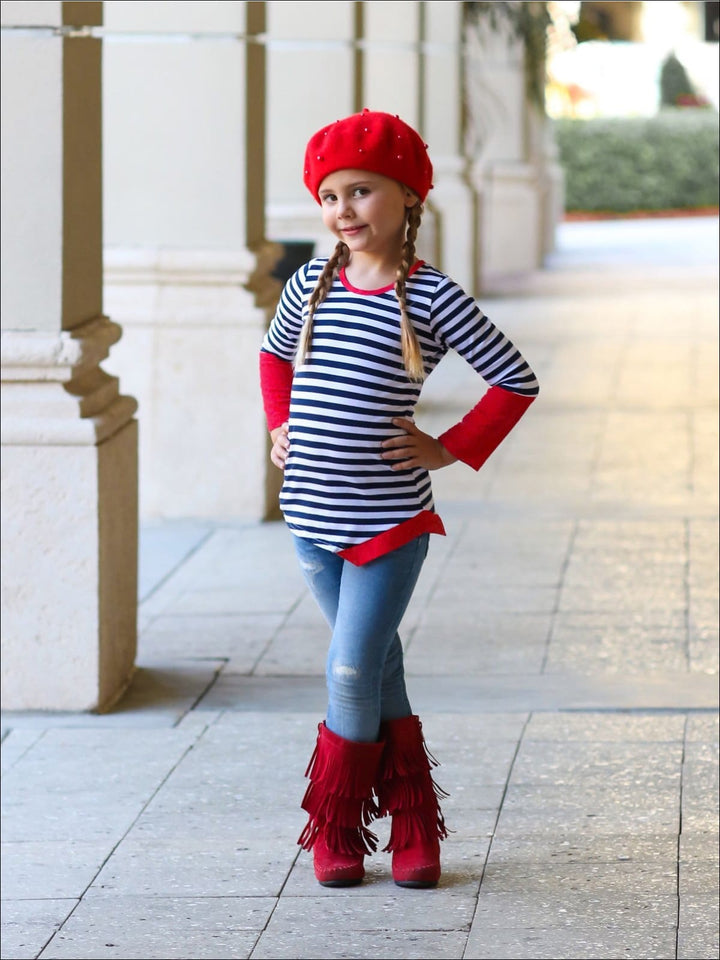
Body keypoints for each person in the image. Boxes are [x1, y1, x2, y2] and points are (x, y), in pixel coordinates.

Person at [259, 109, 539, 889]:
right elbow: (274, 357)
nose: (343, 210)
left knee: (350, 671)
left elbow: (515, 380)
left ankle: (337, 822)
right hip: (309, 519)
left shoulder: (431, 296)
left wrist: (448, 448)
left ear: (408, 198)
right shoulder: (310, 284)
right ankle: (416, 823)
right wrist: (278, 425)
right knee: (378, 666)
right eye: (330, 196)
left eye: (362, 192)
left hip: (389, 521)